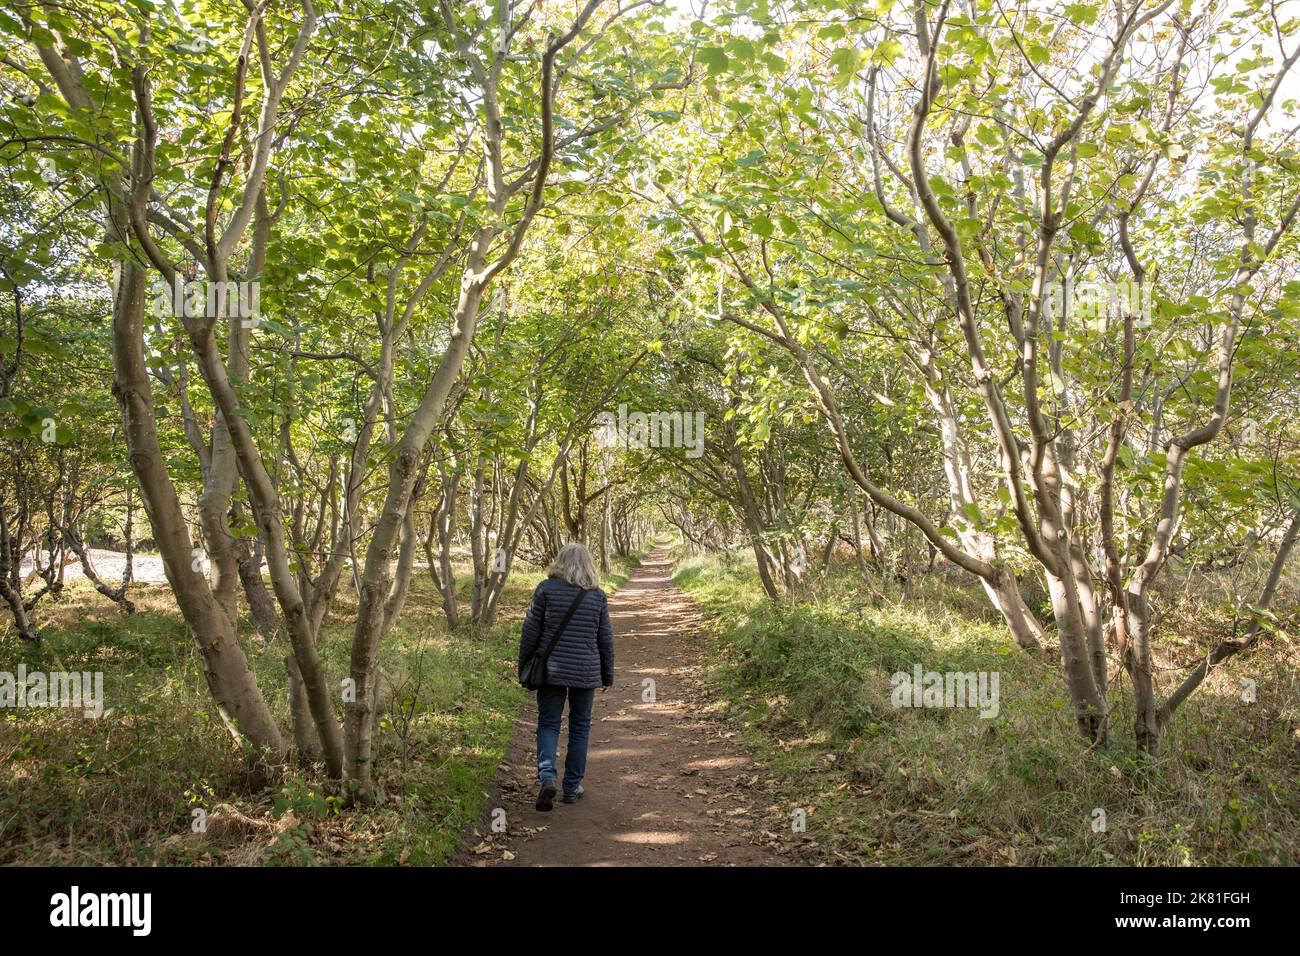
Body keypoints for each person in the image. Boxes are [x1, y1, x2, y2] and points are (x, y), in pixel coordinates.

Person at [517, 543, 614, 811]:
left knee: (549, 723)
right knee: (580, 726)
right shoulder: (597, 596)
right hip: (585, 671)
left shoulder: (546, 590)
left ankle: (547, 776)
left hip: (551, 670)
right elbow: (605, 638)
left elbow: (530, 632)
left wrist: (524, 665)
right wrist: (607, 674)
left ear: (560, 562)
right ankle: (571, 786)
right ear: (588, 565)